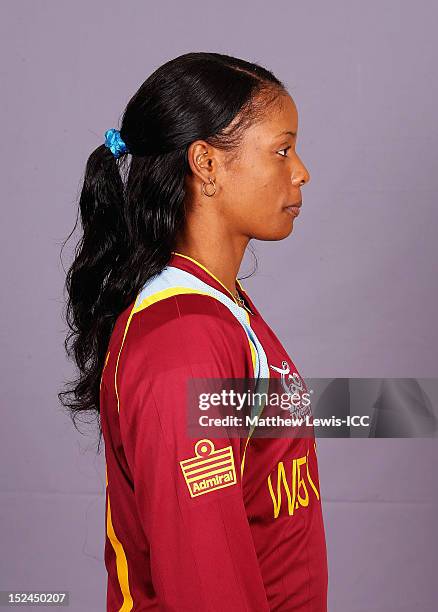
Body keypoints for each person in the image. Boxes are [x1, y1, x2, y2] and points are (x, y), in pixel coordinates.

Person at [59, 51, 328, 611]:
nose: (301, 170)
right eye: (282, 150)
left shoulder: (223, 309)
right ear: (206, 164)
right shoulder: (182, 341)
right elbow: (205, 583)